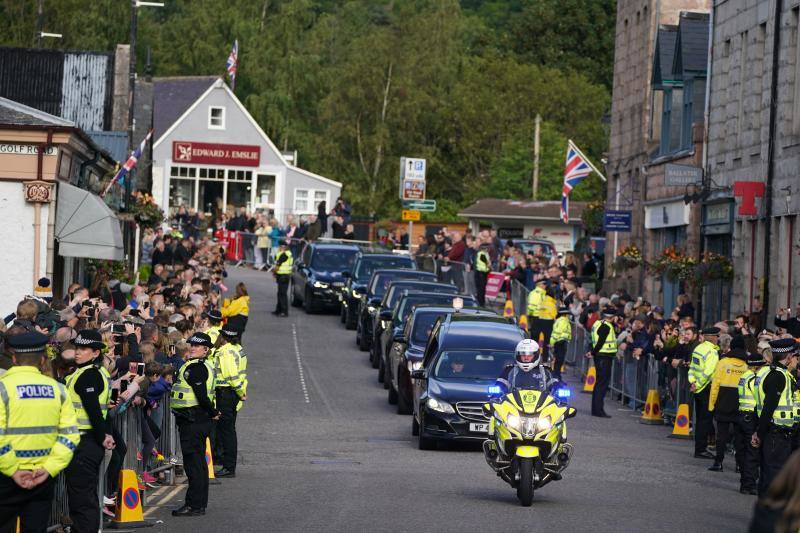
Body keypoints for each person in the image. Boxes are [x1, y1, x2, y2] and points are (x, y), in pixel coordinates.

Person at [0, 332, 79, 533]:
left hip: (6, 477)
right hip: (41, 477)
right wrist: (50, 467)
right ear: (43, 359)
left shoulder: (3, 389)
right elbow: (70, 436)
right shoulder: (59, 390)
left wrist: (13, 470)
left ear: (15, 358)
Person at [65, 329, 115, 533]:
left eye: (83, 348)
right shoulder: (93, 372)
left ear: (95, 353)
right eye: (76, 347)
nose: (77, 352)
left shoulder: (89, 376)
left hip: (85, 442)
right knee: (84, 496)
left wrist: (103, 435)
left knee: (82, 499)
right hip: (86, 440)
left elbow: (93, 409)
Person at [171, 332, 219, 517]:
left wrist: (213, 412)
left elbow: (201, 395)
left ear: (206, 350)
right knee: (198, 464)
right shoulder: (199, 365)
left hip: (194, 420)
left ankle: (194, 505)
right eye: (191, 344)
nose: (192, 347)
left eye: (197, 346)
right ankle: (198, 504)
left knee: (194, 466)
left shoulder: (197, 368)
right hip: (196, 419)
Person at [752, 338, 799, 496]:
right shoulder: (778, 376)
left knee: (768, 477)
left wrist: (758, 431)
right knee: (774, 478)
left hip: (772, 433)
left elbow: (759, 406)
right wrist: (759, 433)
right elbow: (768, 407)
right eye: (793, 355)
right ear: (787, 357)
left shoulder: (767, 371)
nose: (794, 359)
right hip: (776, 435)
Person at [708, 334, 749, 472]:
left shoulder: (723, 362)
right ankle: (739, 465)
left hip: (723, 402)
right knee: (739, 437)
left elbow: (715, 386)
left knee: (722, 435)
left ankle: (718, 462)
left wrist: (712, 404)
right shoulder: (747, 365)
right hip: (741, 405)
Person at [212, 317, 247, 478]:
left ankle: (228, 467)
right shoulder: (238, 348)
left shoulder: (225, 351)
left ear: (223, 336)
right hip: (232, 394)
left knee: (227, 432)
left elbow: (232, 375)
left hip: (226, 393)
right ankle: (228, 464)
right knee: (229, 430)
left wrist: (240, 392)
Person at [689, 327, 721, 459]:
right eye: (717, 336)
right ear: (713, 337)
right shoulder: (712, 352)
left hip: (697, 388)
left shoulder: (698, 348)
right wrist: (699, 384)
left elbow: (692, 368)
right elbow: (708, 372)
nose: (718, 339)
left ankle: (700, 448)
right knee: (705, 420)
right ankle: (701, 449)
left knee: (701, 420)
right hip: (706, 388)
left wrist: (693, 382)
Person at [738, 352, 766, 495]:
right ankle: (749, 484)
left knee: (743, 451)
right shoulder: (755, 379)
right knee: (753, 451)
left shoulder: (744, 376)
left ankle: (744, 482)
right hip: (751, 417)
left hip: (742, 415)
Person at [588, 308, 619, 418]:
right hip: (604, 357)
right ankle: (599, 410)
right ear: (612, 317)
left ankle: (596, 409)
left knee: (599, 383)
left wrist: (592, 351)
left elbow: (594, 340)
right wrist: (593, 352)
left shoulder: (597, 323)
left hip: (601, 356)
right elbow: (601, 341)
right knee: (602, 384)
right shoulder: (606, 326)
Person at [550, 307, 572, 381]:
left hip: (560, 342)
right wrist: (552, 342)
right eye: (568, 314)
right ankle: (556, 376)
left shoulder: (561, 321)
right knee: (559, 360)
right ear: (565, 315)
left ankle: (557, 375)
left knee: (559, 360)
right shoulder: (563, 321)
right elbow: (557, 333)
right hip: (560, 343)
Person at [273, 241, 293, 317]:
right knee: (280, 293)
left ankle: (284, 311)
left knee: (282, 294)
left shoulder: (284, 255)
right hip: (284, 275)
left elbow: (278, 265)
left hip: (283, 276)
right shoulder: (287, 253)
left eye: (280, 247)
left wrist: (274, 273)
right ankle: (278, 310)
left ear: (283, 247)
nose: (279, 248)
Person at [473, 242, 490, 307]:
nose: (488, 249)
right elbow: (487, 263)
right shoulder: (481, 254)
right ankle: (481, 304)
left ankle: (481, 303)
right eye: (487, 248)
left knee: (482, 290)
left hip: (483, 273)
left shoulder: (485, 254)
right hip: (480, 274)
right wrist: (489, 266)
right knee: (481, 290)